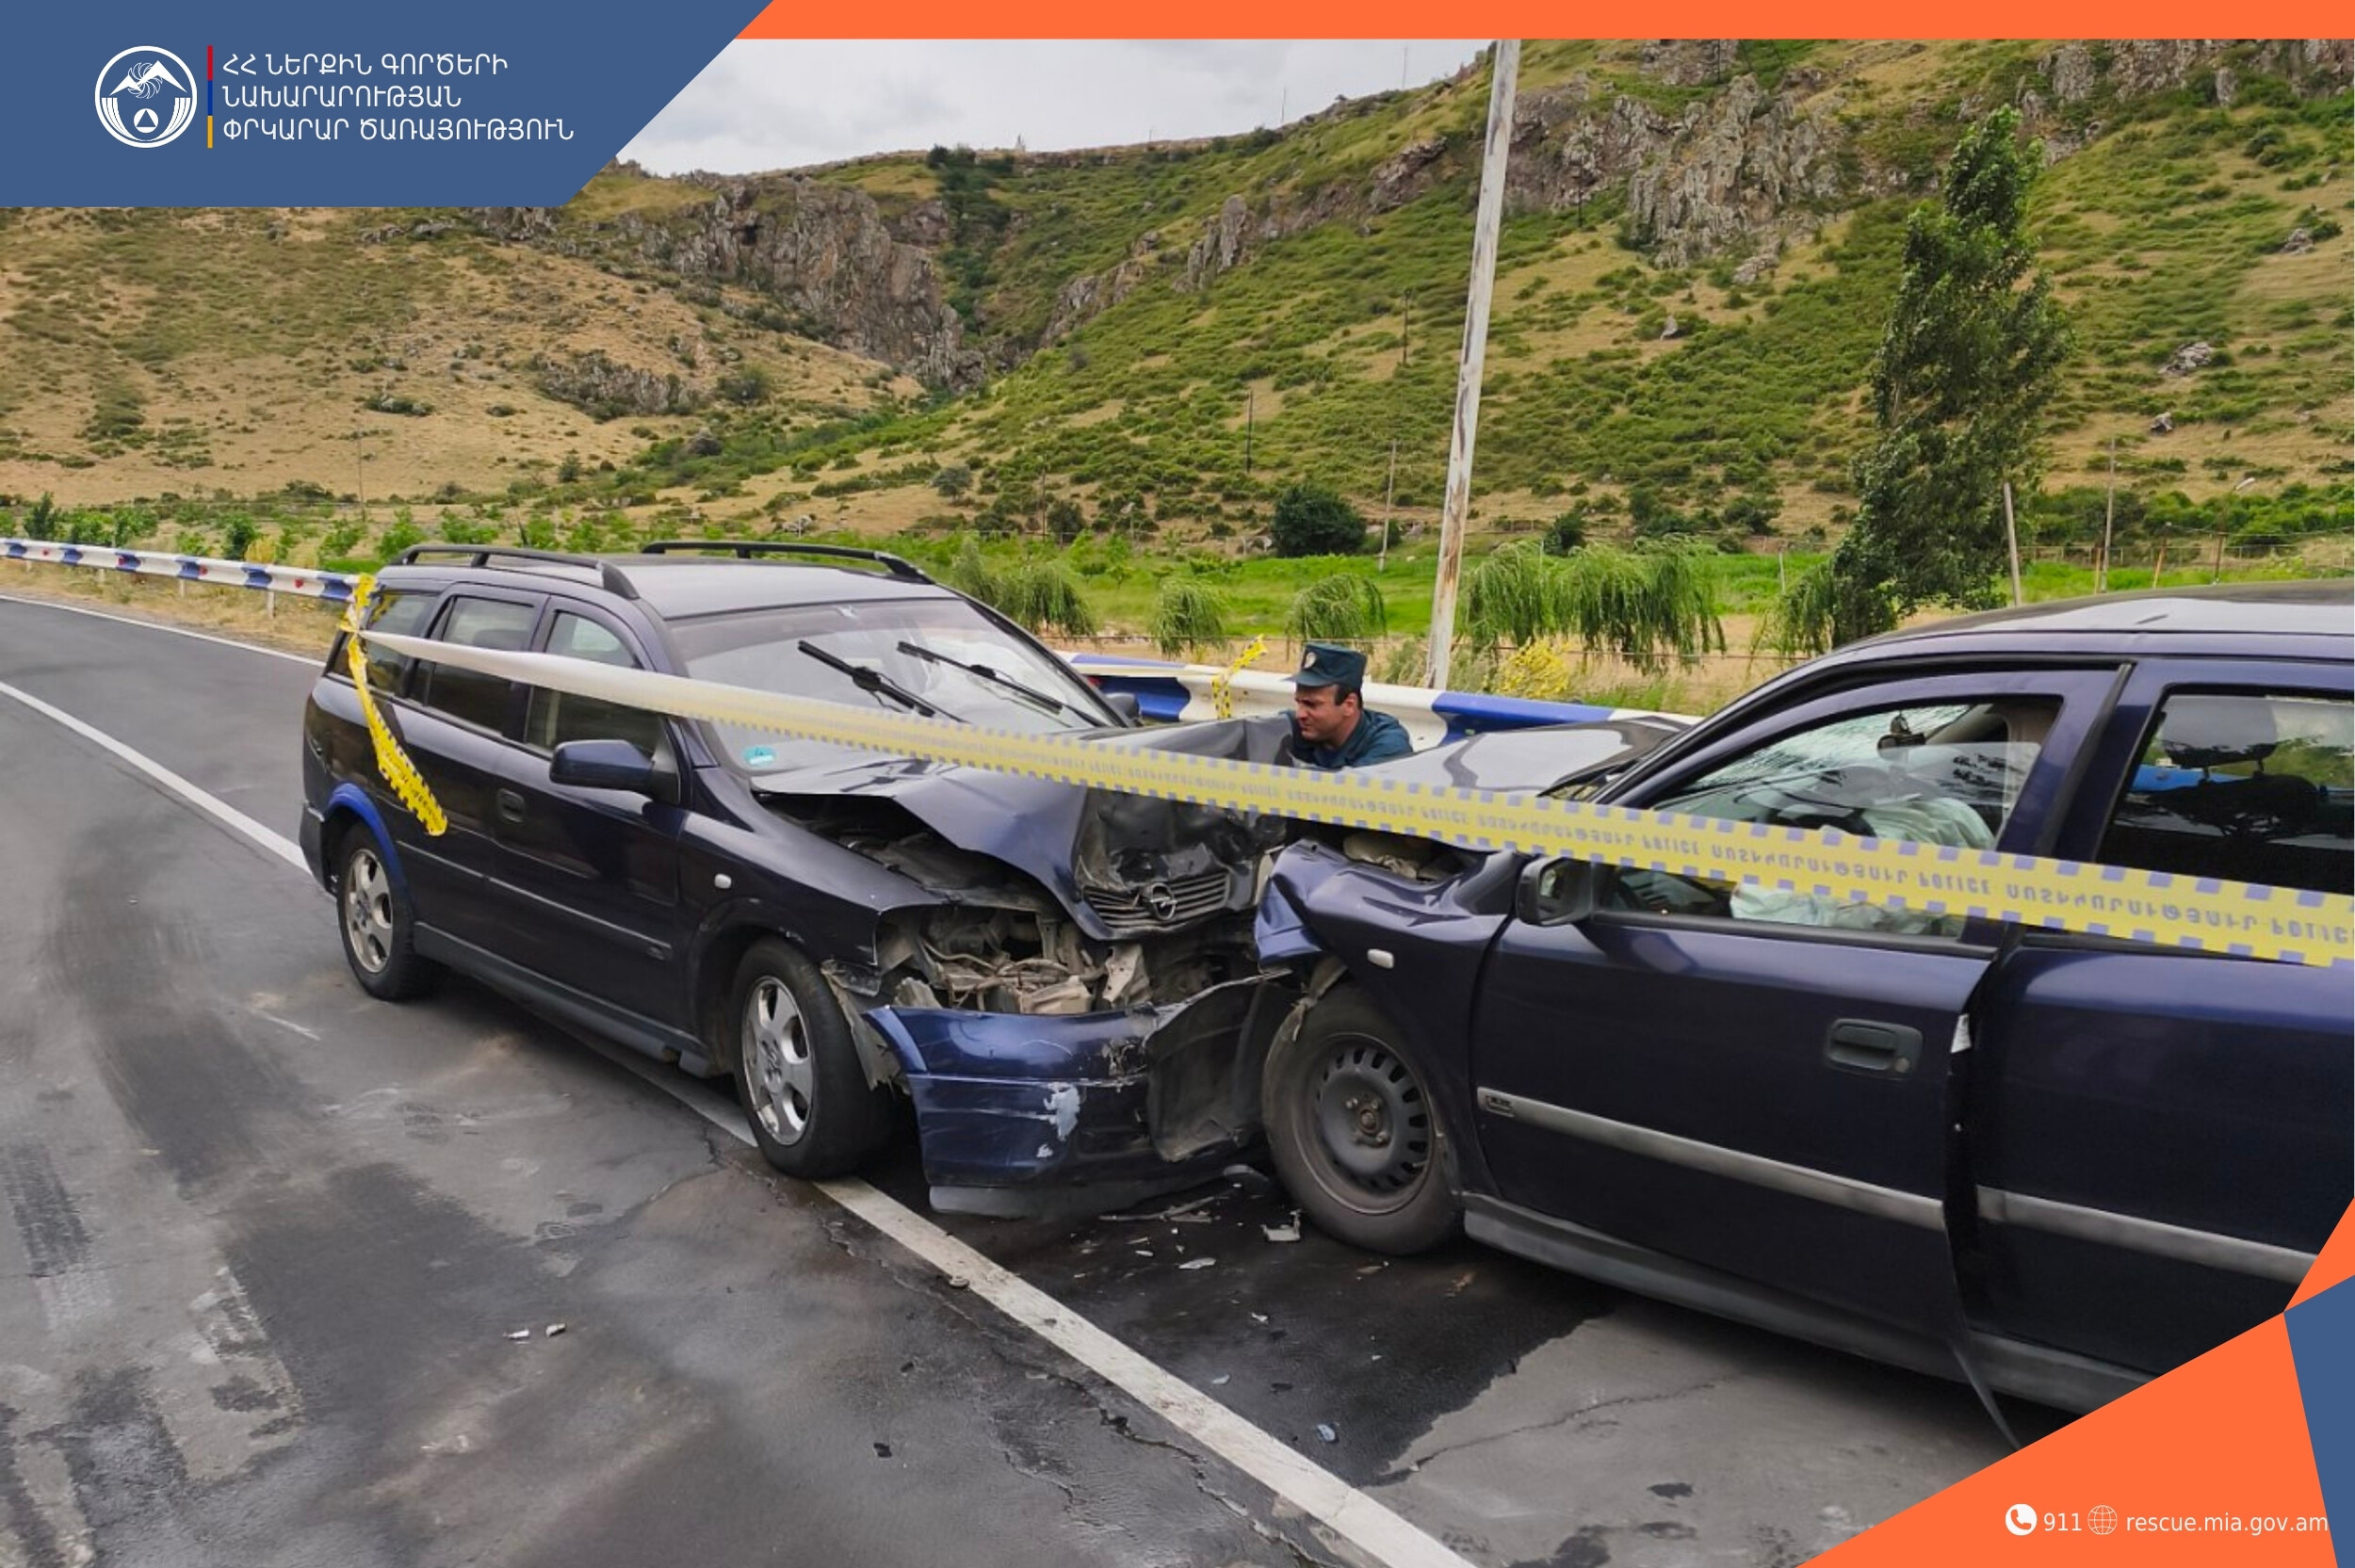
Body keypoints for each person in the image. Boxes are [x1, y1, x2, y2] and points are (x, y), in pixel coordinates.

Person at [1288, 642, 1413, 769]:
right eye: (1299, 702)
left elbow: (1350, 780)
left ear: (1349, 705)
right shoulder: (1292, 727)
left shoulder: (1388, 744)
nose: (1300, 714)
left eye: (1311, 705)